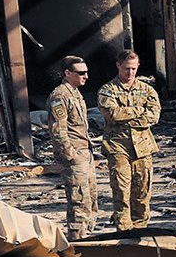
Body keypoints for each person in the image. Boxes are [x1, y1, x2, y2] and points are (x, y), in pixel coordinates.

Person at [97, 47, 161, 231]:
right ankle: (124, 228)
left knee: (142, 190)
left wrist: (127, 117)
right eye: (126, 68)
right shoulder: (107, 91)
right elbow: (112, 115)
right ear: (118, 66)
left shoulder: (147, 90)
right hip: (118, 146)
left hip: (142, 147)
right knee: (121, 189)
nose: (130, 72)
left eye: (134, 68)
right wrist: (139, 110)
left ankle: (140, 227)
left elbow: (154, 116)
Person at [45, 54, 97, 238]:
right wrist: (71, 155)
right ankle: (78, 240)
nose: (86, 76)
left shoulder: (75, 93)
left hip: (85, 153)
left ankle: (87, 236)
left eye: (86, 72)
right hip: (76, 157)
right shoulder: (60, 96)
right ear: (67, 73)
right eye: (81, 73)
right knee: (79, 201)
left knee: (90, 198)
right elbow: (58, 130)